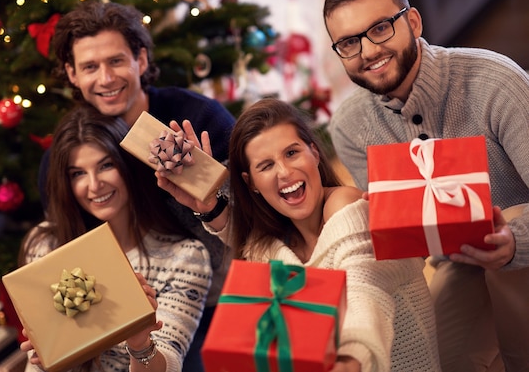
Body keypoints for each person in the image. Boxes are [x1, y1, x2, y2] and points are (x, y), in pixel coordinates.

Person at [324, 0, 529, 372]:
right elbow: (409, 245)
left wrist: (514, 243)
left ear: (413, 22)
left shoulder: (495, 82)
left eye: (380, 28)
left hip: (524, 243)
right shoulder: (348, 126)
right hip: (455, 261)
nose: (367, 50)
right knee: (442, 355)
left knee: (509, 281)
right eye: (349, 42)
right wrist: (386, 222)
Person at [159, 98, 442, 372]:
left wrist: (350, 358)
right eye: (266, 166)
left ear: (314, 153)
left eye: (292, 153)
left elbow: (362, 290)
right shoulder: (275, 241)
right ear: (252, 183)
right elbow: (256, 247)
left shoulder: (349, 209)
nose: (284, 172)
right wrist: (209, 204)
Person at [40, 0, 236, 372]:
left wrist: (207, 184)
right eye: (90, 67)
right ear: (71, 74)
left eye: (116, 61)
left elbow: (258, 225)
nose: (106, 79)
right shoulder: (63, 159)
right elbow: (65, 249)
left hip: (214, 298)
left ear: (141, 61)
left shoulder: (200, 119)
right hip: (113, 310)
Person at [20, 105, 212, 372]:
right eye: (78, 174)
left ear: (128, 167)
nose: (95, 185)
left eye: (106, 165)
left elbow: (169, 362)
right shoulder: (45, 244)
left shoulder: (184, 257)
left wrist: (139, 342)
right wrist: (47, 357)